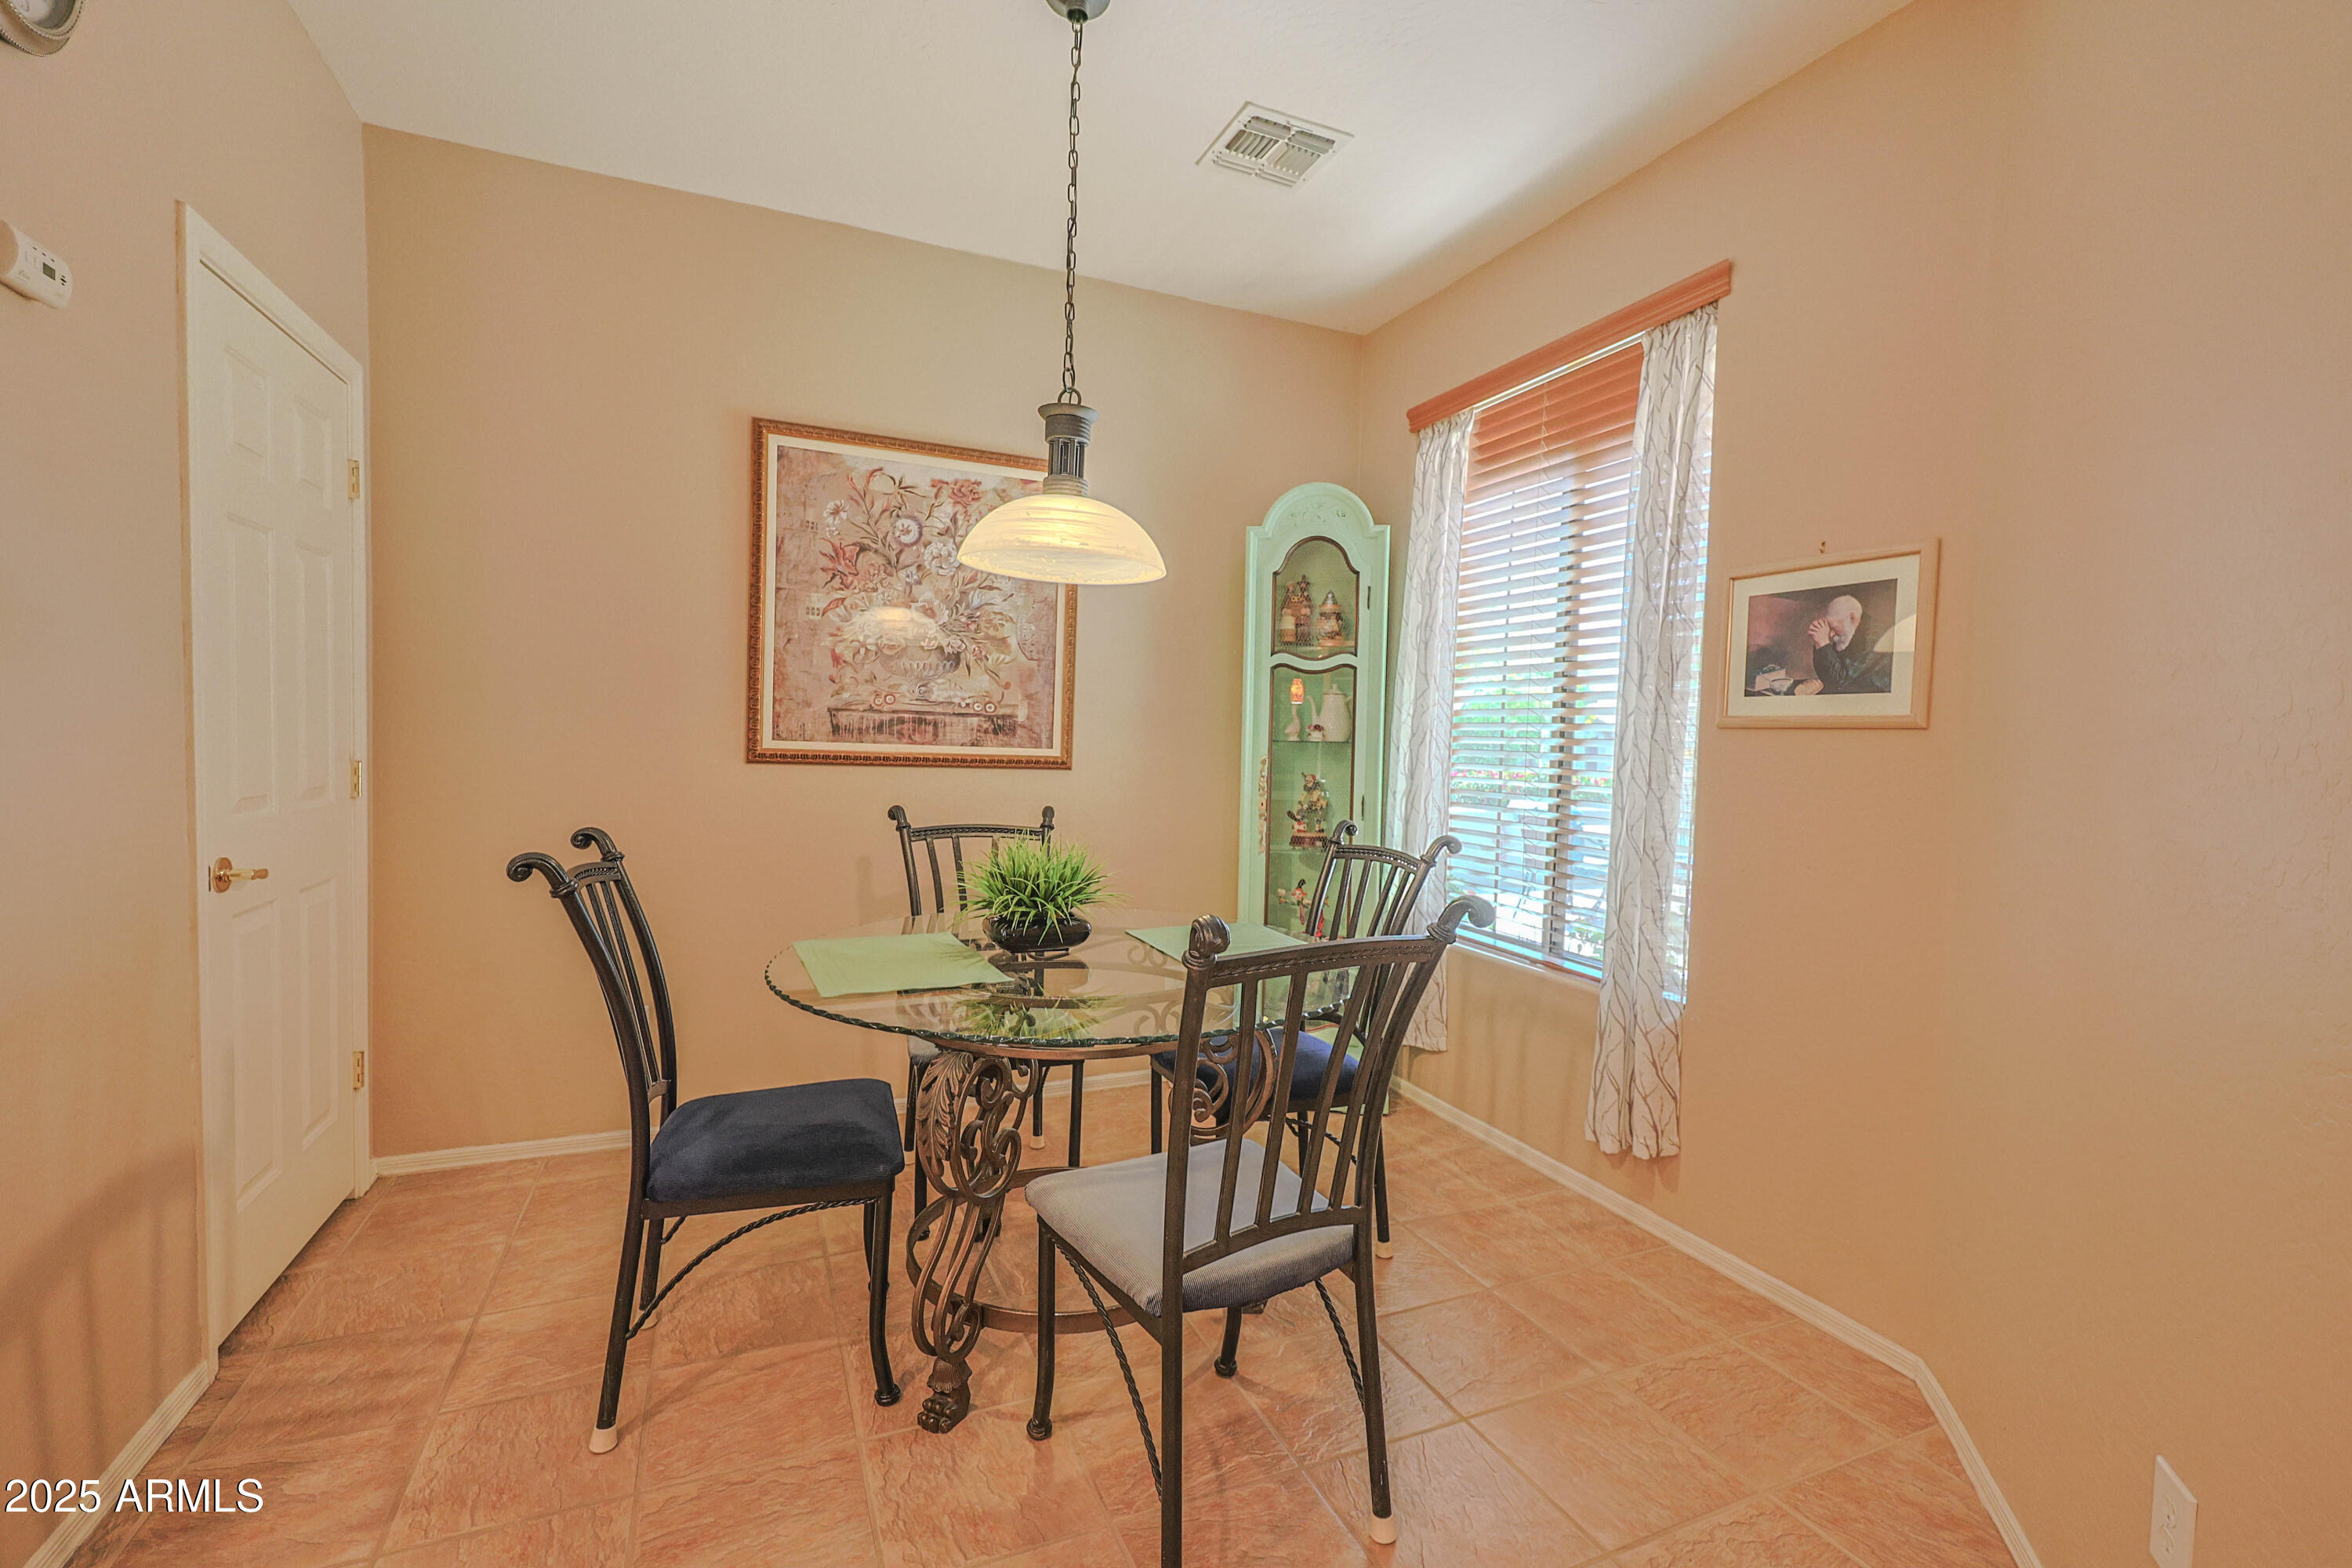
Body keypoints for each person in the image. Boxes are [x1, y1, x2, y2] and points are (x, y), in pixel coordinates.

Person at [1806, 593, 1893, 693]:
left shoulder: (1872, 639)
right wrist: (1819, 644)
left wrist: (1823, 643)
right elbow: (1826, 677)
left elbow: (1840, 682)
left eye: (1834, 627)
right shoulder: (1847, 632)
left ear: (1852, 617)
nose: (1831, 634)